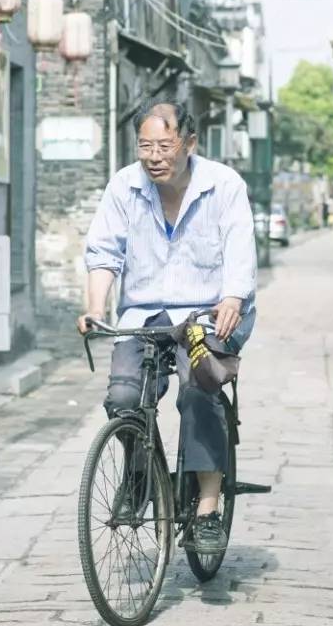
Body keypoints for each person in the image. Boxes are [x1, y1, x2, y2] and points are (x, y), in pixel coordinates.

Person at [79, 102, 256, 554]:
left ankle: (208, 508)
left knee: (198, 390)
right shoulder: (124, 186)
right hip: (144, 315)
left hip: (207, 313)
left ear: (189, 144)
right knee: (122, 398)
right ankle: (140, 474)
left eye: (164, 145)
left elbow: (239, 252)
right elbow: (103, 253)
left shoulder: (224, 186)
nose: (154, 156)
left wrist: (233, 295)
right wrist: (96, 308)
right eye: (145, 146)